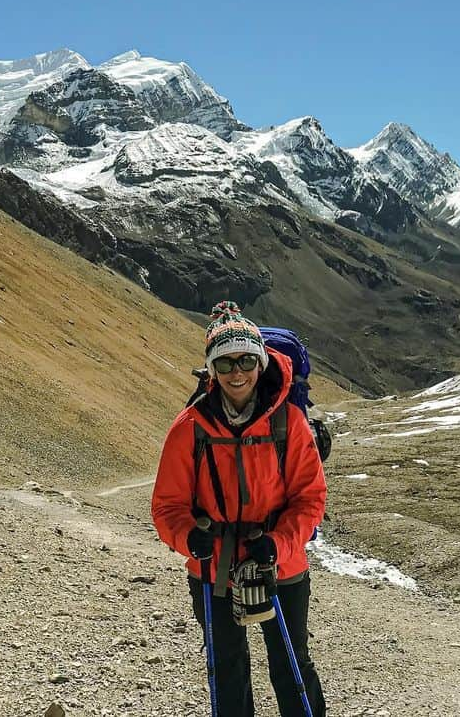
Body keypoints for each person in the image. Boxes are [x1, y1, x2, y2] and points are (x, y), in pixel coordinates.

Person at [152, 301, 327, 717]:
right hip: (214, 566)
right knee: (226, 668)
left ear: (261, 362)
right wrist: (188, 538)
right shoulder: (189, 428)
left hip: (279, 565)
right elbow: (167, 505)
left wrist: (278, 543)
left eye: (246, 360)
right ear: (211, 369)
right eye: (225, 362)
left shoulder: (289, 423)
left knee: (291, 664)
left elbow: (310, 498)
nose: (237, 372)